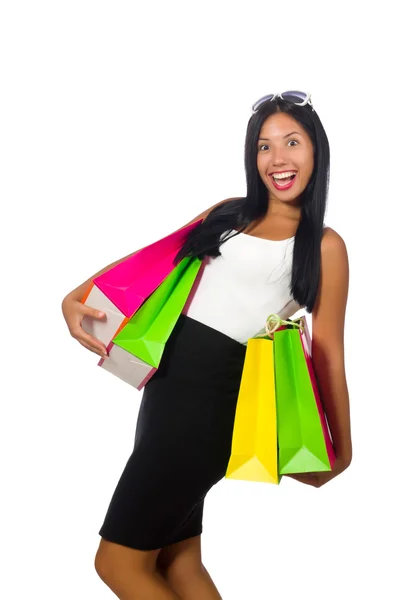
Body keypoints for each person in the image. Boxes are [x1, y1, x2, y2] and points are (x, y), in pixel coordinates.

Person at [61, 91, 352, 600]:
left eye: (292, 143)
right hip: (164, 392)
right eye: (264, 146)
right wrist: (78, 294)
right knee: (178, 560)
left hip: (211, 407)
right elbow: (154, 258)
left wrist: (341, 450)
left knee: (116, 563)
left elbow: (328, 352)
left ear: (316, 152)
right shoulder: (227, 212)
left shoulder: (322, 243)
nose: (278, 159)